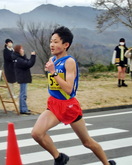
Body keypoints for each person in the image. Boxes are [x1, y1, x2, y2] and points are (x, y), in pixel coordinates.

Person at [31, 26, 116, 165]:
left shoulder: (69, 62)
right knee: (36, 133)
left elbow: (69, 89)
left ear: (66, 45)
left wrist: (53, 73)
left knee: (87, 142)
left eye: (56, 41)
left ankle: (107, 164)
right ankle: (59, 158)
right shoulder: (53, 59)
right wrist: (51, 70)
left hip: (69, 106)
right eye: (51, 41)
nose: (52, 44)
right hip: (54, 103)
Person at [12, 45, 36, 115]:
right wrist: (33, 56)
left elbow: (27, 61)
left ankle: (23, 108)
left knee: (23, 94)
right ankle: (23, 109)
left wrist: (24, 56)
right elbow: (29, 63)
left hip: (23, 77)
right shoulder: (18, 60)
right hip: (22, 78)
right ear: (18, 51)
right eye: (21, 49)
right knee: (23, 94)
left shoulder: (19, 58)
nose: (23, 50)